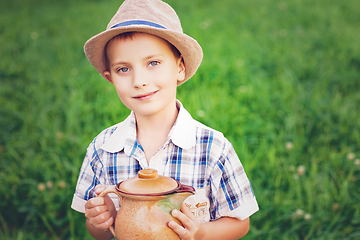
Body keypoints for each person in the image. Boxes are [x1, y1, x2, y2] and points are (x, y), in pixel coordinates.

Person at [71, 0, 259, 239]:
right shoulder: (102, 149)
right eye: (123, 69)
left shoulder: (213, 148)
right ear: (110, 79)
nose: (139, 80)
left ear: (179, 67)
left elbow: (240, 223)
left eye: (153, 63)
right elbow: (100, 232)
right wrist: (101, 221)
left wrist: (201, 233)